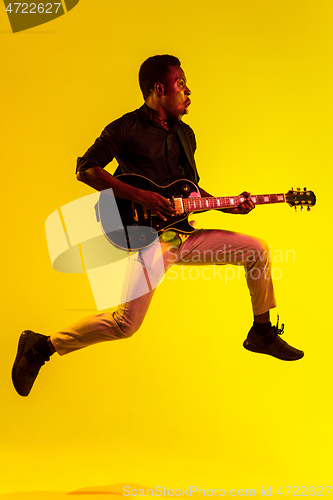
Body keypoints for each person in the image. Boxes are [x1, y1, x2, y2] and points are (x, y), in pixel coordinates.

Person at [12, 55, 304, 397]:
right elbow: (86, 169)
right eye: (181, 84)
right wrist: (143, 197)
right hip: (145, 237)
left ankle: (262, 332)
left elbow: (189, 190)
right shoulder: (126, 127)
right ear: (159, 89)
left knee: (257, 249)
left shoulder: (186, 135)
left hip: (184, 234)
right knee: (126, 325)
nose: (188, 91)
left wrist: (229, 206)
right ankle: (41, 347)